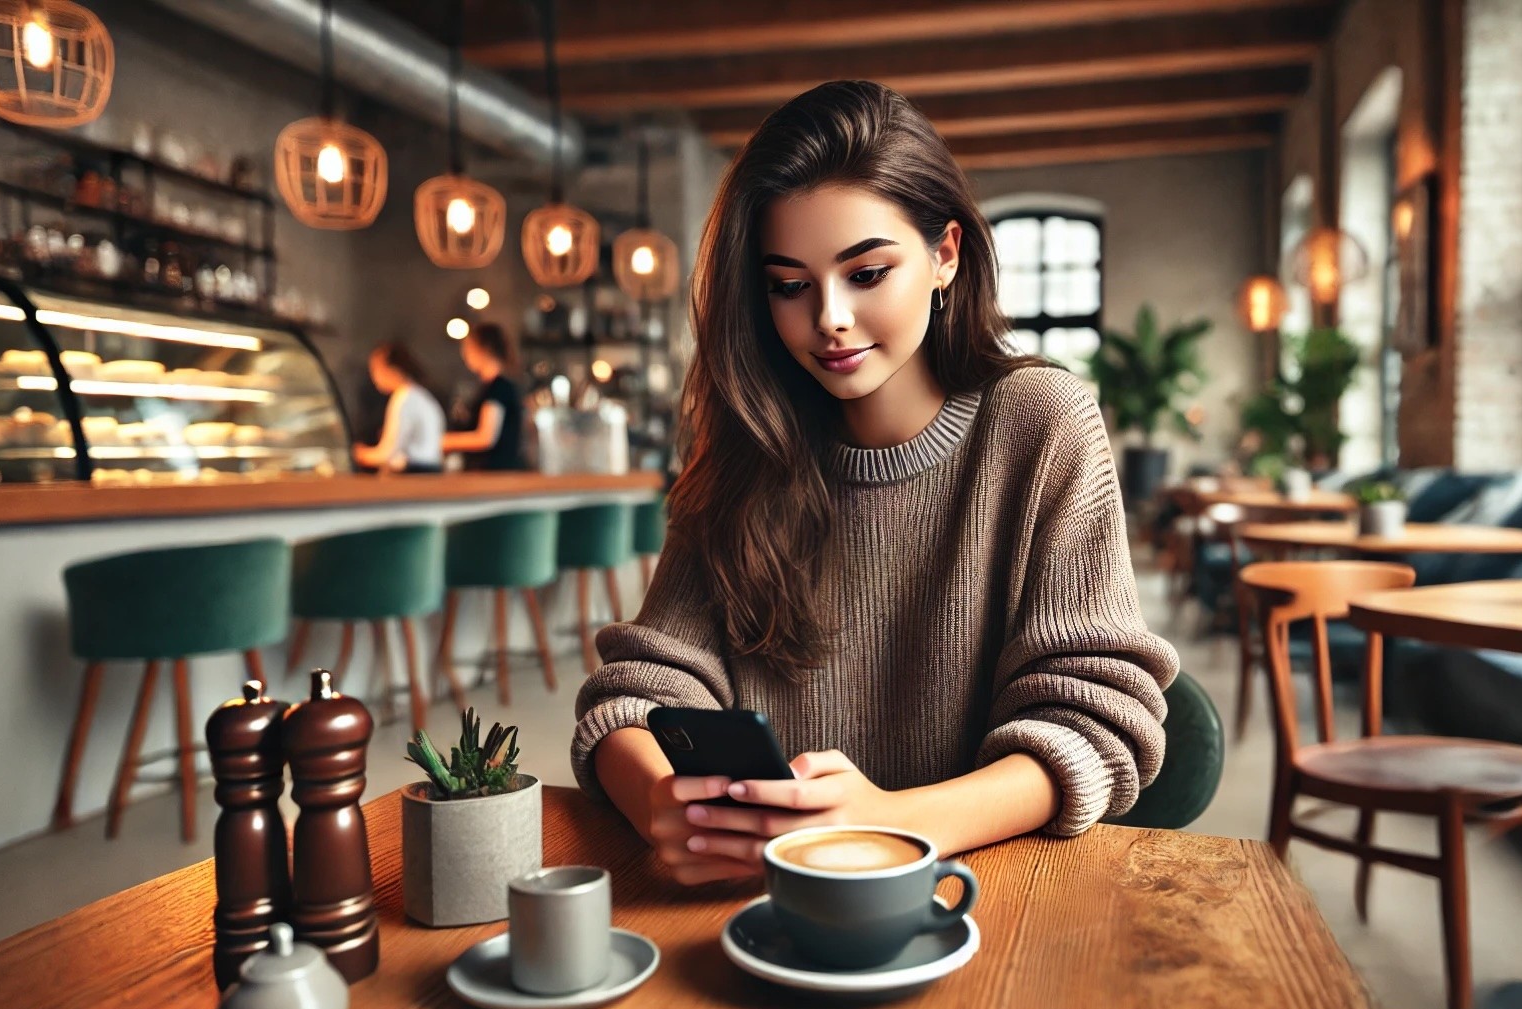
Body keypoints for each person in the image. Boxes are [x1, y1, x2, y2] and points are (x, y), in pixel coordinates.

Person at [571, 80, 1179, 887]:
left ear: (945, 255)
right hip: (765, 903)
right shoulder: (747, 449)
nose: (828, 317)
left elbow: (1099, 724)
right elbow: (638, 692)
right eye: (790, 285)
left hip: (985, 895)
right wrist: (659, 800)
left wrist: (889, 822)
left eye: (865, 273)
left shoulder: (1042, 423)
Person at [442, 323, 528, 471]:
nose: (464, 355)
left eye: (468, 349)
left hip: (496, 473)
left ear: (483, 350)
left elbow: (486, 437)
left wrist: (445, 441)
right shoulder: (495, 386)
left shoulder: (499, 387)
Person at [353, 341, 444, 473]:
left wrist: (359, 454)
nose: (374, 376)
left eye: (375, 369)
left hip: (416, 472)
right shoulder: (419, 394)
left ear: (392, 368)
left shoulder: (404, 398)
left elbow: (388, 453)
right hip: (431, 470)